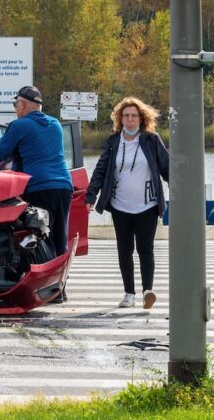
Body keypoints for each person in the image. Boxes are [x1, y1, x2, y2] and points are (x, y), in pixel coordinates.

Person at [85, 97, 169, 310]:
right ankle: (129, 294)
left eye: (134, 115)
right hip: (120, 205)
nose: (130, 119)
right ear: (120, 119)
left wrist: (182, 192)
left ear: (141, 119)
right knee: (124, 250)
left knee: (145, 249)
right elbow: (100, 170)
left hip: (147, 205)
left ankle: (147, 291)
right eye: (126, 115)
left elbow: (167, 168)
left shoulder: (151, 139)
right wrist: (91, 195)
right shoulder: (113, 142)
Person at [0, 86, 74, 260]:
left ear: (22, 104)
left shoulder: (19, 125)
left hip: (37, 188)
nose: (15, 109)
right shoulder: (55, 125)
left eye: (15, 105)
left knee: (39, 240)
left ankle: (42, 281)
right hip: (63, 187)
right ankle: (61, 282)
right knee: (60, 240)